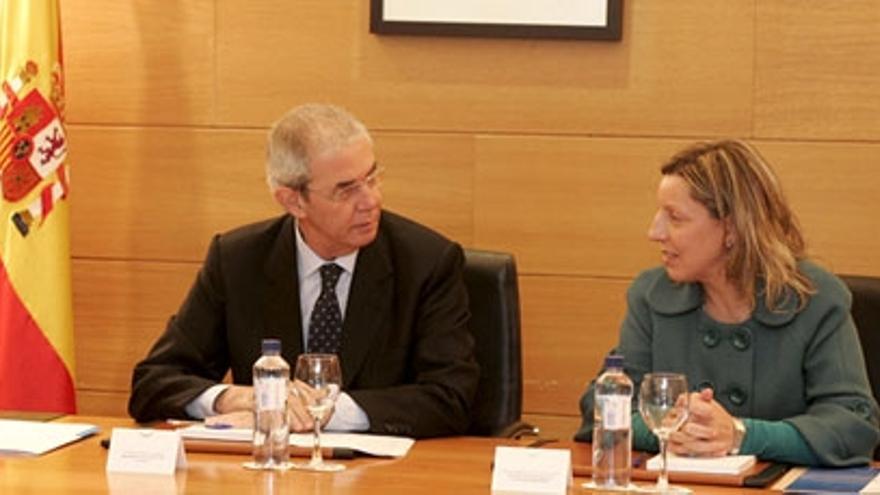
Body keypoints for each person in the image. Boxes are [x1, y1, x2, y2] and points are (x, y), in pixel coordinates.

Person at [128, 103, 479, 439]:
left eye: (372, 179)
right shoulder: (238, 260)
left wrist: (325, 411)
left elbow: (451, 397)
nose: (370, 200)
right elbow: (154, 383)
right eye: (347, 189)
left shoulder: (426, 262)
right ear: (293, 201)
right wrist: (240, 398)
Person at [575, 139, 879, 466]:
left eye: (675, 217)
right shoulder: (651, 296)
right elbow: (605, 403)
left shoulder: (815, 298)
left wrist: (739, 434)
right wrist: (679, 428)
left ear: (732, 228)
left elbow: (852, 424)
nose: (655, 231)